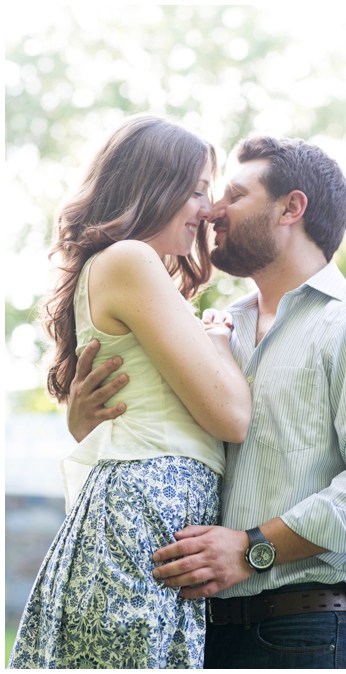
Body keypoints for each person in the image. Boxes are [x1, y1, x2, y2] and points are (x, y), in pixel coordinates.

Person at [66, 135, 346, 668]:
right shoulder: (213, 329)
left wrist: (252, 549)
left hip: (306, 629)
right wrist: (82, 421)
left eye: (234, 195)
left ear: (291, 208)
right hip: (195, 626)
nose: (212, 210)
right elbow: (150, 429)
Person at [9, 115, 252, 668]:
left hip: (151, 512)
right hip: (141, 514)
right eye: (194, 191)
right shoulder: (129, 259)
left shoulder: (136, 270)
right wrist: (217, 341)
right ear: (151, 186)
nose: (207, 209)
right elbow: (232, 416)